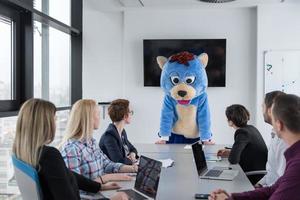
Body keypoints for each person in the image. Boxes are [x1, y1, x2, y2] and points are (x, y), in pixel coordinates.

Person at [12, 98, 128, 200]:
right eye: (55, 119)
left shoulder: (25, 153)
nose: (56, 123)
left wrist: (99, 186)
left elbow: (68, 174)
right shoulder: (50, 155)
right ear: (45, 124)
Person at [209, 94, 300, 200]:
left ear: (279, 125)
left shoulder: (297, 164)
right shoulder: (293, 156)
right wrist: (232, 197)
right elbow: (272, 189)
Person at [59, 99, 137, 185]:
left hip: (100, 189)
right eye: (98, 114)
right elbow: (75, 185)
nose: (100, 118)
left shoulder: (92, 142)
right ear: (89, 118)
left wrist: (134, 169)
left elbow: (107, 164)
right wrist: (107, 178)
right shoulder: (71, 149)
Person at [217, 104, 268, 184]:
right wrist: (230, 151)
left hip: (252, 176)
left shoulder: (242, 132)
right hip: (259, 172)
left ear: (230, 121)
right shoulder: (251, 128)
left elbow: (233, 160)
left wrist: (232, 154)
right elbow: (248, 150)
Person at [256, 91, 287, 187]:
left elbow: (282, 182)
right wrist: (259, 185)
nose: (261, 109)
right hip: (267, 188)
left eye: (263, 106)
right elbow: (271, 172)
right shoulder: (274, 134)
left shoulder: (284, 141)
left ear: (270, 110)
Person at [99, 99, 138, 165]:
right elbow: (119, 161)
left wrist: (132, 155)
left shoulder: (122, 132)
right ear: (125, 116)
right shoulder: (109, 136)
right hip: (111, 173)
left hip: (121, 170)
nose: (132, 115)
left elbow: (133, 149)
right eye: (131, 112)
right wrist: (132, 161)